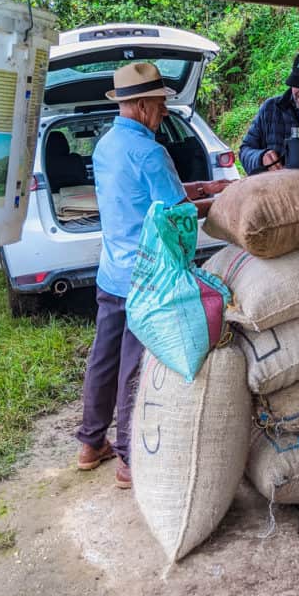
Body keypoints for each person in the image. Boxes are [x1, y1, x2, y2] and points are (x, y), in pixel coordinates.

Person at [75, 61, 186, 490]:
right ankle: (128, 459)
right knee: (133, 365)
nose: (164, 112)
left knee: (103, 357)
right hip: (146, 276)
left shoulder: (105, 146)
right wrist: (214, 201)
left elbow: (136, 197)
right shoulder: (150, 152)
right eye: (160, 104)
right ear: (140, 105)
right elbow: (174, 211)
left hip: (111, 271)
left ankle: (90, 442)